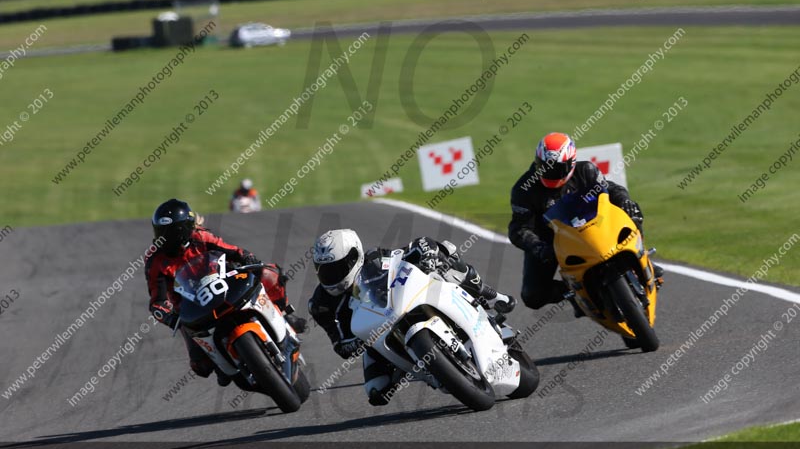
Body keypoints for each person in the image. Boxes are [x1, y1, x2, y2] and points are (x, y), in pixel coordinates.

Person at [307, 229, 516, 406]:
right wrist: (358, 342)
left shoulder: (376, 259)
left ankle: (491, 294)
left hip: (407, 302)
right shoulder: (321, 305)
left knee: (447, 253)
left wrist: (428, 255)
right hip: (376, 337)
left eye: (337, 267)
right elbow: (339, 344)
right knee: (377, 392)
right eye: (325, 270)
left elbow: (415, 248)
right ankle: (422, 368)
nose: (332, 276)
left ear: (355, 256)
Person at [145, 198, 306, 386]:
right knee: (201, 366)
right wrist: (172, 318)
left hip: (224, 284)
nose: (163, 237)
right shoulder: (155, 260)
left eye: (169, 232)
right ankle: (226, 364)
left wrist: (247, 257)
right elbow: (157, 301)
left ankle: (284, 313)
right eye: (160, 232)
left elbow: (233, 251)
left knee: (269, 272)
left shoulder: (201, 237)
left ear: (182, 230)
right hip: (192, 307)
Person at [508, 132, 663, 313]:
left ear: (571, 163)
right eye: (545, 167)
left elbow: (612, 189)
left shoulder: (586, 171)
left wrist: (624, 200)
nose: (551, 173)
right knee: (532, 296)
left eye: (557, 168)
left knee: (632, 209)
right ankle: (575, 292)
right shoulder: (524, 189)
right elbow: (519, 228)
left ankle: (640, 257)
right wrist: (538, 247)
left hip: (594, 225)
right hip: (551, 241)